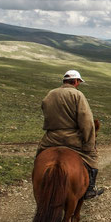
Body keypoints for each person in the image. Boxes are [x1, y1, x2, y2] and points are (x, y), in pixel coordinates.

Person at [36, 70, 104, 199]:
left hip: (51, 138)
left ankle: (37, 181)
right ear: (76, 81)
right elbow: (86, 120)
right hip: (72, 139)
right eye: (79, 82)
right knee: (92, 158)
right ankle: (90, 188)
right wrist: (89, 144)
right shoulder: (77, 95)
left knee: (39, 157)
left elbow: (45, 109)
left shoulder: (50, 94)